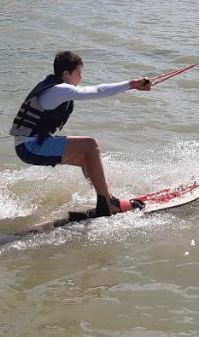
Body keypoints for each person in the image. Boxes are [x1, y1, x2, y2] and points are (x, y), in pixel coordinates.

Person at [11, 50, 152, 218]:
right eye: (79, 72)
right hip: (31, 146)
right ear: (66, 74)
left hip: (27, 147)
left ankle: (102, 199)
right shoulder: (59, 90)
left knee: (86, 158)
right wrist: (133, 84)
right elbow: (98, 90)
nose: (81, 77)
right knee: (90, 144)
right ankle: (108, 202)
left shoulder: (53, 87)